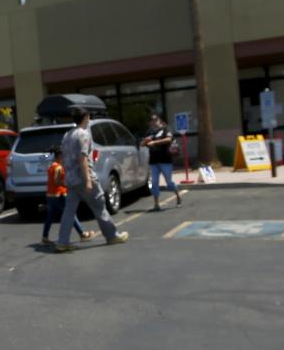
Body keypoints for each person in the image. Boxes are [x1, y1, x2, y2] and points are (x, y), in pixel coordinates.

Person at [55, 108, 129, 252]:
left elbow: (63, 158)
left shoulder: (67, 135)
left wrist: (64, 175)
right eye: (88, 116)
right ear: (85, 117)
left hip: (71, 179)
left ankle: (62, 242)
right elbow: (83, 158)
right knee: (99, 206)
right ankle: (112, 235)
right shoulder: (83, 134)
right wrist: (88, 180)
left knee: (69, 211)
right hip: (83, 178)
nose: (89, 119)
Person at [41, 145, 93, 245]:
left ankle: (44, 237)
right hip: (59, 195)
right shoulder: (59, 167)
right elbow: (56, 180)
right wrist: (66, 183)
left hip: (50, 195)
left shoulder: (52, 165)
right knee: (71, 214)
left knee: (50, 217)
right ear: (60, 155)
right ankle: (82, 234)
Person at [142, 113, 182, 212]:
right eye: (151, 120)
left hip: (165, 160)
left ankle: (177, 195)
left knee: (169, 182)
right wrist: (145, 141)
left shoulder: (166, 129)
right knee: (154, 183)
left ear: (159, 120)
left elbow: (169, 139)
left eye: (155, 119)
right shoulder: (150, 132)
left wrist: (155, 142)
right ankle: (156, 204)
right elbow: (143, 144)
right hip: (153, 161)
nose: (153, 122)